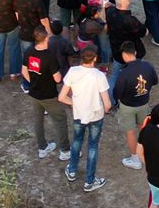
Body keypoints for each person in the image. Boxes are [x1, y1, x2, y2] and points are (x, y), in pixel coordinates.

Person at [59, 43, 112, 191]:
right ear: (94, 59)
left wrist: (74, 103)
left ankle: (72, 170)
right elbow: (107, 103)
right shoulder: (99, 76)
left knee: (77, 141)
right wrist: (105, 109)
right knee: (93, 146)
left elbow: (62, 97)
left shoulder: (73, 71)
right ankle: (89, 181)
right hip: (96, 115)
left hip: (78, 114)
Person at [23, 21, 71, 161]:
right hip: (49, 94)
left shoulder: (29, 51)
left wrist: (33, 81)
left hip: (34, 93)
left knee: (38, 120)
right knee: (60, 119)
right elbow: (57, 79)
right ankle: (65, 150)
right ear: (46, 39)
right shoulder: (49, 56)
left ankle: (42, 147)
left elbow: (24, 70)